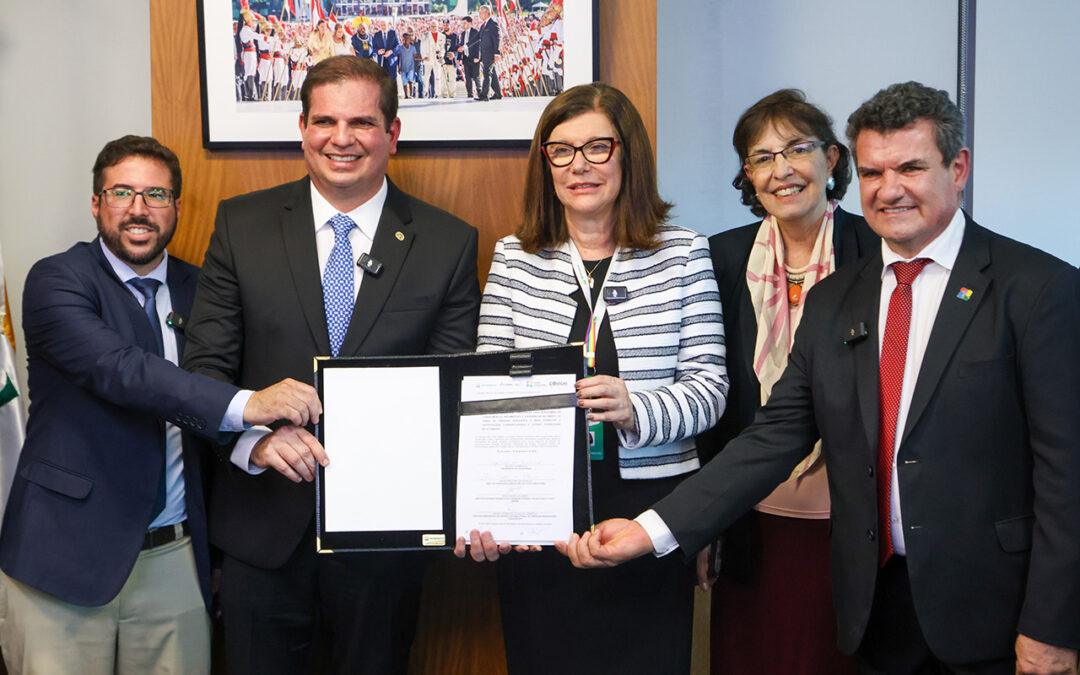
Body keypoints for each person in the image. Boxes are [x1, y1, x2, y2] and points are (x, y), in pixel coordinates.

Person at [562, 81, 1080, 675]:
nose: (889, 190)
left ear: (957, 168)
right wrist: (651, 530)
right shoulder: (838, 298)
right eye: (874, 172)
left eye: (910, 167)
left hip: (992, 618)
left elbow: (1068, 480)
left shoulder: (1039, 290)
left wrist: (1051, 627)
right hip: (873, 611)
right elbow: (771, 438)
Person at [181, 55, 481, 675]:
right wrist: (254, 446)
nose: (341, 139)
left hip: (386, 546)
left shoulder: (448, 241)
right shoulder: (242, 225)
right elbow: (203, 372)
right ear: (302, 126)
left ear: (392, 134)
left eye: (362, 123)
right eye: (325, 121)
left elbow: (453, 395)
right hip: (260, 536)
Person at [0, 135, 321, 674]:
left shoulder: (204, 289)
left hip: (176, 562)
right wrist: (251, 405)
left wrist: (254, 441)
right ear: (96, 203)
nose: (139, 209)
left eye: (157, 195)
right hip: (64, 558)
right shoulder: (58, 281)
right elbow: (124, 372)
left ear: (177, 207)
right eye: (121, 192)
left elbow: (208, 401)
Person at [460, 82, 728, 675]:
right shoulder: (514, 256)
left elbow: (711, 388)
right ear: (545, 164)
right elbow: (486, 393)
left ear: (627, 154)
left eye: (597, 148)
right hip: (539, 508)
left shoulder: (683, 253)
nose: (578, 165)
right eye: (561, 151)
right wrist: (489, 505)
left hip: (649, 509)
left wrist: (638, 408)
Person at [696, 89, 876, 675]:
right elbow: (711, 394)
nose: (781, 170)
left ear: (832, 159)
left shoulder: (876, 252)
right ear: (748, 176)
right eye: (762, 157)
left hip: (852, 521)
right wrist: (706, 521)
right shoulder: (719, 259)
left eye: (796, 149)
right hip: (752, 518)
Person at [476, 5, 502, 101]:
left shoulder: (493, 23)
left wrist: (497, 53)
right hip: (484, 53)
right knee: (492, 73)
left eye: (481, 12)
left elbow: (497, 39)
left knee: (487, 73)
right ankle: (498, 94)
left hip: (491, 53)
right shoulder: (483, 25)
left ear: (487, 13)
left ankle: (484, 95)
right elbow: (478, 38)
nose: (479, 15)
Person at [459, 16, 481, 99]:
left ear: (470, 23)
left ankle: (479, 92)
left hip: (474, 57)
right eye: (463, 23)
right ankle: (470, 94)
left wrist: (477, 56)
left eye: (465, 23)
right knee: (467, 77)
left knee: (476, 76)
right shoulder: (463, 33)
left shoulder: (475, 32)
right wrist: (459, 58)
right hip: (466, 58)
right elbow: (462, 45)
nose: (463, 25)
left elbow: (478, 45)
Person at [440, 20, 459, 99]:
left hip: (451, 61)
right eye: (444, 25)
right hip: (443, 61)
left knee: (452, 79)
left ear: (450, 26)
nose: (445, 27)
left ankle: (452, 95)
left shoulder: (455, 36)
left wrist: (454, 55)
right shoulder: (440, 35)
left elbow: (458, 48)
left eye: (447, 25)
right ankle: (444, 95)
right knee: (443, 79)